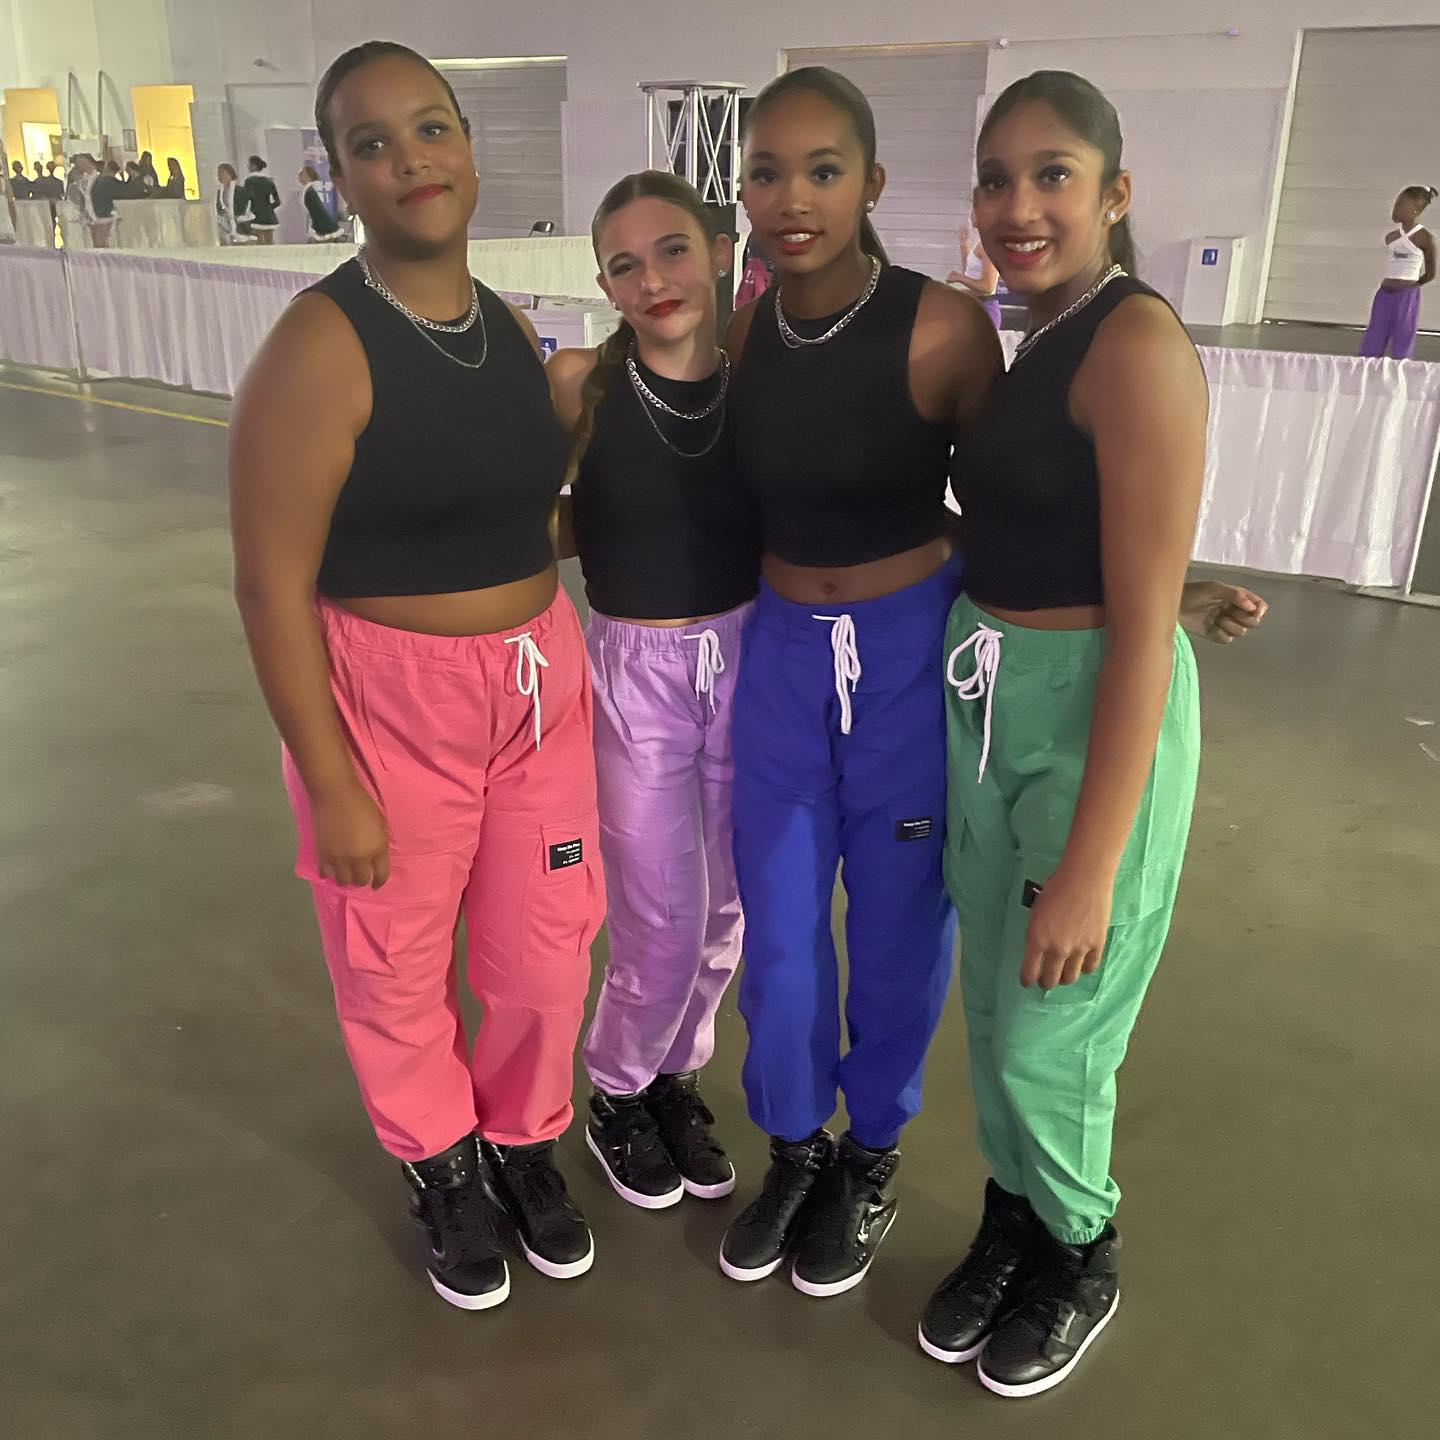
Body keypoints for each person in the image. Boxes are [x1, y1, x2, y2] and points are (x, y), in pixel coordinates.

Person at [229, 40, 604, 1313]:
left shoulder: (502, 325)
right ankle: (441, 1162)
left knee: (545, 950)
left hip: (539, 687)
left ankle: (522, 1142)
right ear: (339, 179)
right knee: (394, 960)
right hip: (389, 704)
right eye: (372, 143)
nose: (410, 160)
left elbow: (518, 519)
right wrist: (331, 782)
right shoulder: (318, 348)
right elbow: (269, 586)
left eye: (431, 127)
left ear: (469, 149)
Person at [918, 69, 1211, 1399]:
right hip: (990, 696)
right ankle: (1017, 1220)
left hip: (1093, 716)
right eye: (996, 179)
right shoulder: (1038, 338)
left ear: (1115, 193)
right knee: (991, 1005)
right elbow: (1050, 529)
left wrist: (1093, 865)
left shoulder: (1133, 343)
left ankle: (1082, 1245)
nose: (1018, 207)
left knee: (1054, 1029)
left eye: (1052, 176)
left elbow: (1137, 630)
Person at [716, 67, 1004, 1299]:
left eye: (823, 171)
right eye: (767, 173)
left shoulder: (944, 329)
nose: (794, 198)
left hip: (906, 659)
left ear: (871, 183)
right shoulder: (745, 331)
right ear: (743, 192)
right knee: (780, 938)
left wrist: (1158, 586)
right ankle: (796, 1146)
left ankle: (871, 1151)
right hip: (781, 656)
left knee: (894, 932)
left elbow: (1017, 508)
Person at [547, 171, 756, 1211]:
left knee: (725, 911)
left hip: (750, 657)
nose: (653, 279)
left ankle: (677, 1074)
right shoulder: (580, 381)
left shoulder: (757, 382)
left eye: (672, 250)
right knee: (658, 914)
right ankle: (619, 1088)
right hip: (635, 672)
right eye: (624, 265)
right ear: (603, 284)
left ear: (718, 251)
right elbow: (524, 515)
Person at [1358, 184, 1436, 360]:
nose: (1395, 209)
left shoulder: (1424, 238)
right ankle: (1366, 367)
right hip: (1384, 294)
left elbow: (1430, 274)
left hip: (1406, 296)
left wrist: (1410, 286)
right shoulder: (1392, 237)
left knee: (1403, 335)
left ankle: (1401, 370)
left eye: (1401, 205)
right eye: (1396, 204)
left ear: (1415, 210)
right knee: (1375, 333)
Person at [947, 216, 1002, 330]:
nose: (971, 214)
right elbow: (970, 275)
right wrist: (964, 245)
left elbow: (988, 287)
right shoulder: (981, 242)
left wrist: (959, 278)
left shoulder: (988, 246)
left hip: (984, 310)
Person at [244, 156, 282, 243]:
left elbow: (247, 199)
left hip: (256, 215)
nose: (247, 166)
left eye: (249, 164)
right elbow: (277, 201)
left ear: (253, 166)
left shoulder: (249, 181)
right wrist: (269, 208)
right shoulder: (269, 181)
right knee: (270, 242)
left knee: (260, 243)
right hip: (269, 216)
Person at [299, 165, 342, 240]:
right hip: (322, 227)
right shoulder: (310, 189)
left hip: (321, 230)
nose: (299, 176)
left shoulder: (310, 191)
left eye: (302, 174)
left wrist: (319, 230)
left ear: (308, 176)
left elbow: (317, 211)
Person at [88, 161, 126, 246]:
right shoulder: (111, 182)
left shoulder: (97, 181)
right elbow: (124, 193)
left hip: (97, 213)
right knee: (107, 239)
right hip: (108, 213)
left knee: (100, 241)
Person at [215, 163, 254, 244]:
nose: (220, 175)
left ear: (230, 174)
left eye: (222, 172)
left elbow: (243, 209)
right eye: (219, 172)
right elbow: (219, 209)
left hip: (241, 226)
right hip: (226, 226)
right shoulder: (220, 192)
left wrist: (234, 217)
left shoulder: (241, 191)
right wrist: (224, 216)